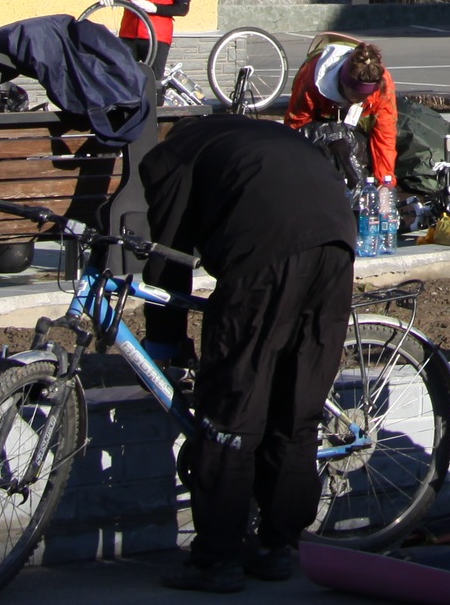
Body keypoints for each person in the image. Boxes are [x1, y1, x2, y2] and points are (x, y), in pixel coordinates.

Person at [141, 114, 356, 591]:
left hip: (269, 253)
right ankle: (278, 546)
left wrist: (166, 342)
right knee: (296, 406)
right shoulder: (253, 134)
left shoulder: (171, 155)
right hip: (337, 243)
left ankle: (216, 560)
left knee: (232, 408)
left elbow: (167, 253)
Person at [283, 37, 399, 186]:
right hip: (319, 122)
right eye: (356, 96)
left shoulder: (382, 87)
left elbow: (385, 134)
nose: (358, 101)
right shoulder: (310, 81)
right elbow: (296, 127)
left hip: (355, 124)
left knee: (357, 154)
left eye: (364, 97)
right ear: (343, 83)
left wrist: (385, 182)